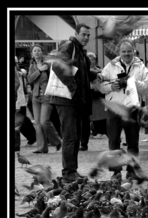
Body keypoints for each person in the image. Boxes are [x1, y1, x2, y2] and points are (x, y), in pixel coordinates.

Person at [98, 39, 148, 179]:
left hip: (132, 109)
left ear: (134, 51)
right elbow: (100, 86)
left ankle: (131, 170)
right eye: (123, 51)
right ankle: (116, 172)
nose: (126, 54)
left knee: (133, 141)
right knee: (114, 141)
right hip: (114, 108)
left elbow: (147, 88)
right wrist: (111, 87)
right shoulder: (110, 66)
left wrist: (132, 82)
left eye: (129, 51)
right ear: (119, 52)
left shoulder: (141, 67)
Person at [49, 23, 93, 183]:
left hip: (75, 100)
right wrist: (73, 87)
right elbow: (57, 65)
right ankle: (68, 172)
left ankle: (72, 170)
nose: (86, 37)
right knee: (70, 136)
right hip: (66, 98)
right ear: (76, 34)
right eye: (84, 34)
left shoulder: (80, 50)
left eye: (88, 35)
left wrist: (96, 75)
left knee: (75, 136)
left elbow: (81, 73)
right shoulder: (69, 46)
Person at [27, 44, 62, 154]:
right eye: (34, 51)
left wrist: (42, 69)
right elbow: (29, 79)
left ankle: (57, 141)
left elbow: (54, 78)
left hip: (47, 95)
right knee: (37, 123)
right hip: (35, 96)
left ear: (42, 52)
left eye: (38, 50)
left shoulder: (48, 64)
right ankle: (42, 147)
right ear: (32, 54)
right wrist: (39, 70)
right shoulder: (32, 65)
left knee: (44, 121)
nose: (36, 52)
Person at [15, 58, 37, 151]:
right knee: (23, 120)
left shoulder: (18, 72)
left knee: (21, 121)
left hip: (18, 100)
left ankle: (32, 137)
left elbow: (18, 83)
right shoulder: (19, 72)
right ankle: (33, 137)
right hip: (19, 100)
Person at [86, 52, 107, 139]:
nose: (91, 61)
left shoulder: (100, 70)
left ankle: (100, 131)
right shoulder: (84, 71)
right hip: (88, 95)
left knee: (99, 114)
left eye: (93, 59)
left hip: (98, 95)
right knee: (90, 115)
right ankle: (91, 131)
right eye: (89, 58)